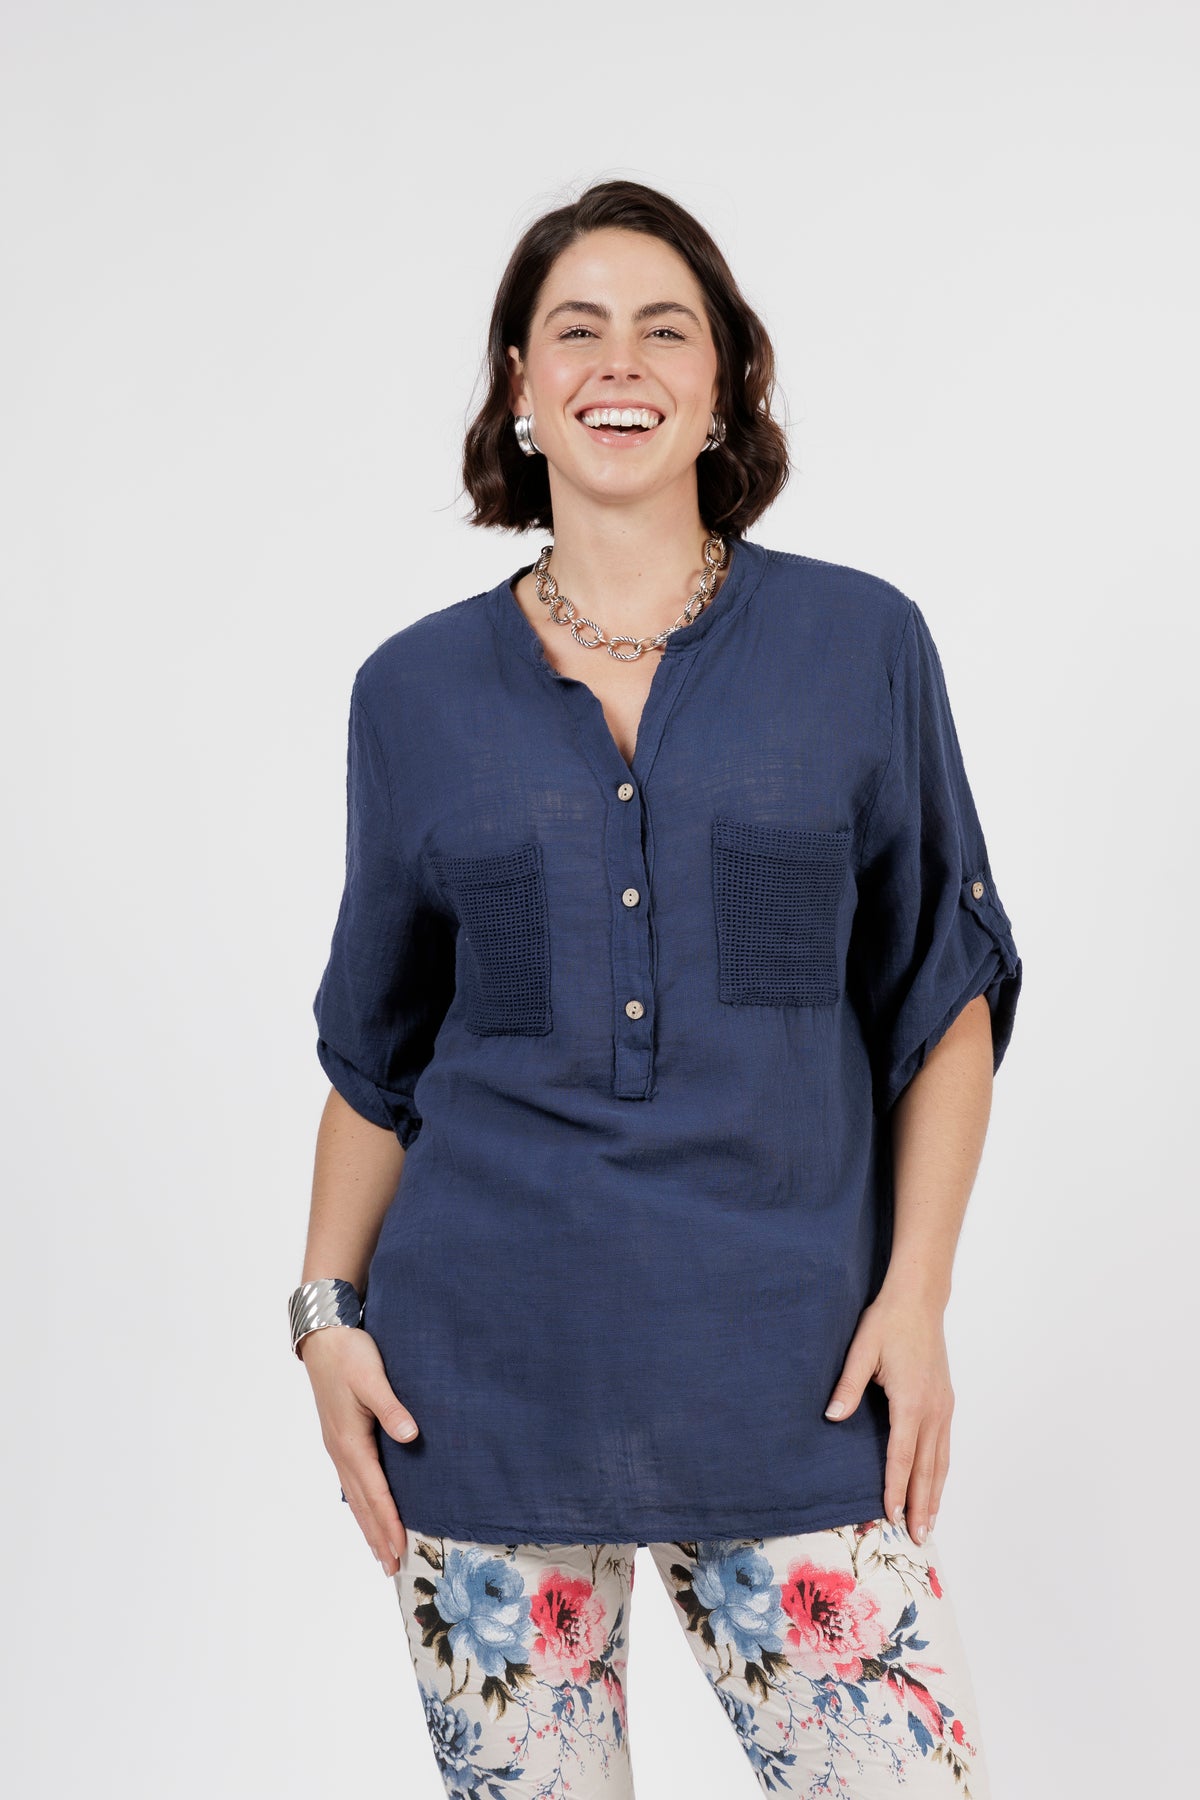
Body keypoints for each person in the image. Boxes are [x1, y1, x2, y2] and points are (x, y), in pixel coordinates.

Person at [290, 179, 1022, 1799]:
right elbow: (376, 1059)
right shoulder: (411, 691)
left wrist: (917, 1298)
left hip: (795, 1376)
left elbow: (942, 1000)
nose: (619, 361)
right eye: (577, 329)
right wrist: (324, 1320)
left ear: (725, 383)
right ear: (521, 383)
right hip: (478, 1397)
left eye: (664, 329)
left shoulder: (859, 645)